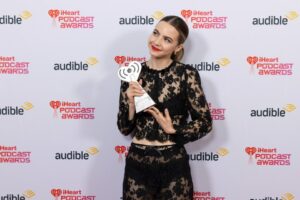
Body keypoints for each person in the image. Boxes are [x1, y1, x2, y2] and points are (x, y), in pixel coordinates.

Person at [117, 15, 212, 200]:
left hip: (174, 165)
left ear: (177, 48)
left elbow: (205, 122)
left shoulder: (187, 74)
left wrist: (174, 129)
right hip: (137, 164)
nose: (157, 42)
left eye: (167, 39)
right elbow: (124, 128)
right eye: (155, 33)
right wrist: (130, 103)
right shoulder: (132, 73)